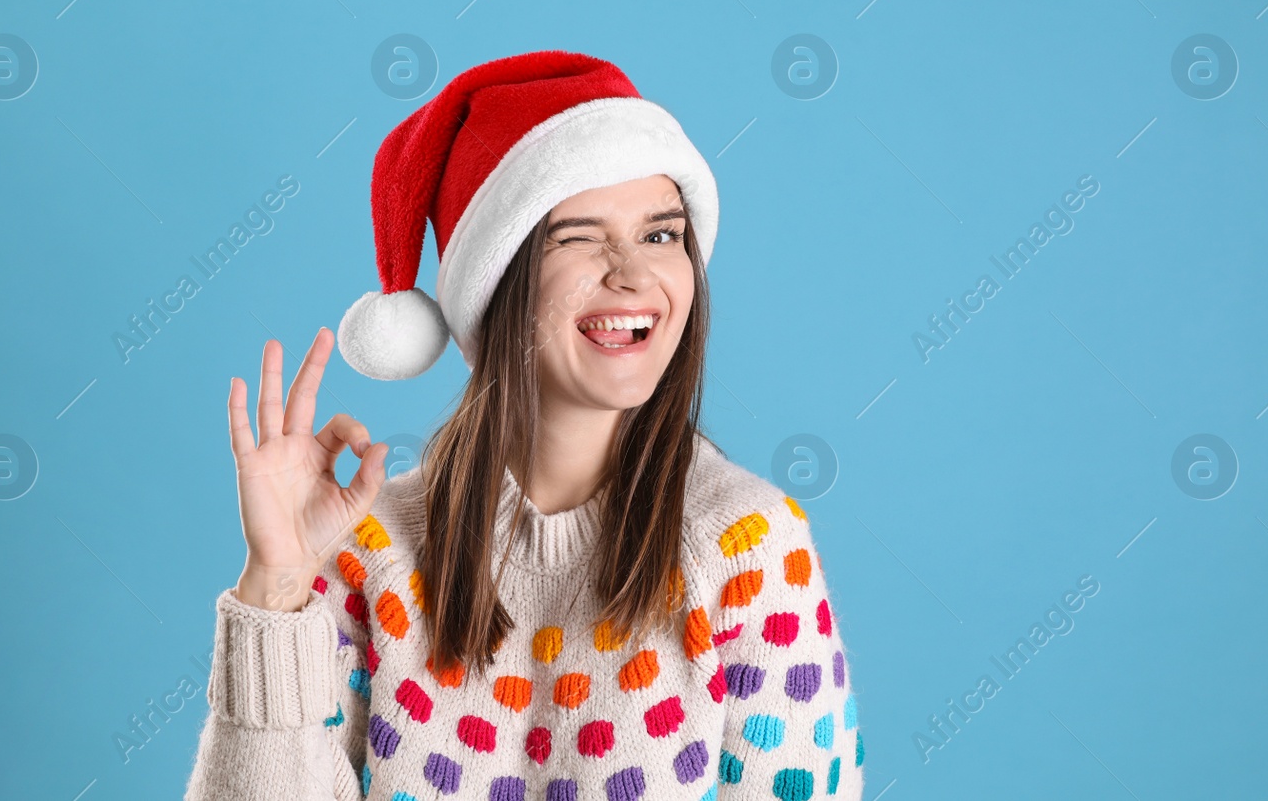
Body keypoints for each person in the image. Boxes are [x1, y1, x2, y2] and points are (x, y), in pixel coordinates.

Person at [185, 50, 864, 800]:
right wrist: (275, 590)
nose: (632, 273)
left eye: (662, 235)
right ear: (496, 282)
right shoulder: (366, 554)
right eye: (576, 236)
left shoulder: (750, 546)